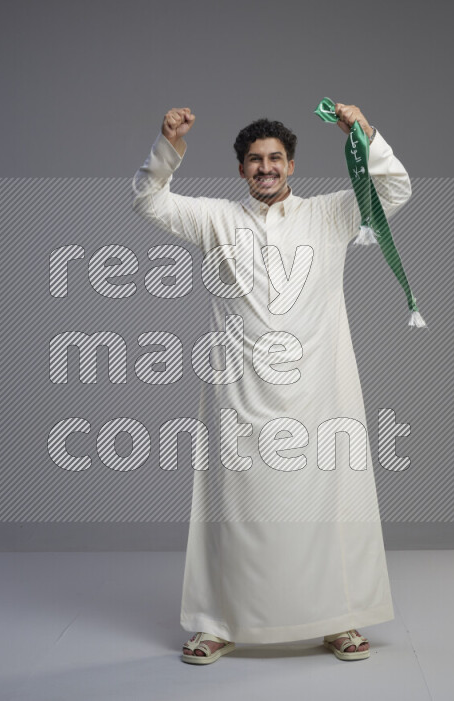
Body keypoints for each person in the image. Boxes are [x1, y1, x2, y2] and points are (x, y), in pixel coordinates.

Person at [131, 104, 412, 664]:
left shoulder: (330, 214)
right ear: (241, 170)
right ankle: (217, 622)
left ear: (291, 166)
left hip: (320, 390)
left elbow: (396, 189)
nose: (266, 168)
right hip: (240, 394)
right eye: (255, 160)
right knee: (234, 508)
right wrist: (169, 148)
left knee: (327, 503)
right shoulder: (216, 219)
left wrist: (364, 133)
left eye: (275, 159)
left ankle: (338, 619)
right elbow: (148, 199)